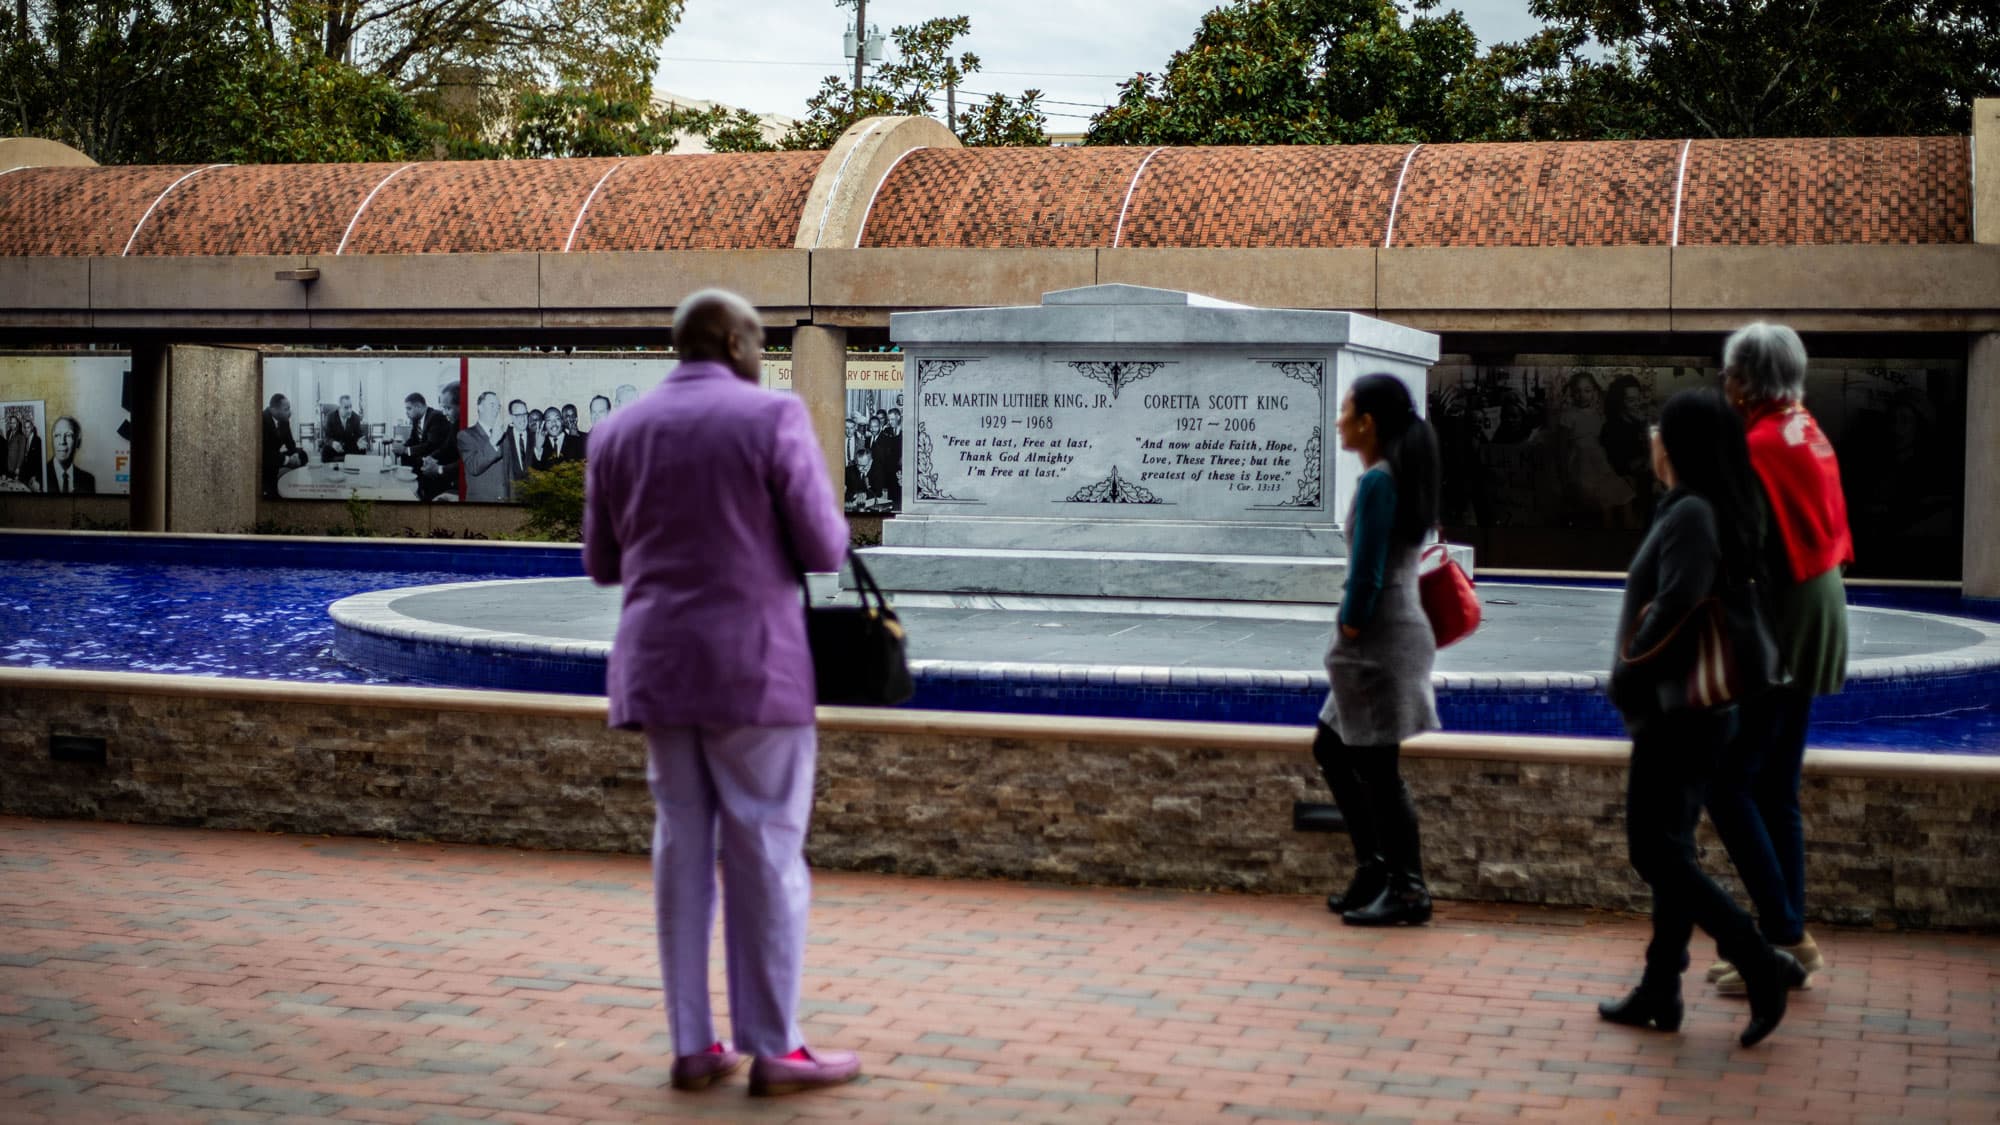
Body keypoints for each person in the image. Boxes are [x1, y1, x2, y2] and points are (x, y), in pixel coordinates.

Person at [584, 289, 857, 1096]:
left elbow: (603, 564)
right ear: (734, 341)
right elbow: (824, 547)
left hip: (658, 665)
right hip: (754, 667)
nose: (763, 353)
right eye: (761, 340)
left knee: (679, 848)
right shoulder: (770, 419)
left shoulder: (617, 432)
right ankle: (776, 1047)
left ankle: (694, 1043)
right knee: (767, 846)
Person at [1600, 387, 1802, 1048]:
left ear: (1679, 444)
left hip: (1678, 712)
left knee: (1651, 849)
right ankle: (1662, 986)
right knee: (1673, 847)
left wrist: (1628, 673)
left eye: (1659, 430)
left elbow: (1676, 604)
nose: (1650, 439)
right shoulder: (1702, 505)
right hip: (1696, 710)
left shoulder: (1691, 512)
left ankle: (1758, 957)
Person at [1704, 324, 1851, 996]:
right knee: (1774, 787)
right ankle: (1782, 942)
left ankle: (1785, 936)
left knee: (1730, 783)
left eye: (1728, 373)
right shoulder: (1802, 425)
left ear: (1745, 381)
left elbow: (1736, 553)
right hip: (1818, 603)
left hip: (1786, 619)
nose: (1723, 383)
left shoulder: (1757, 444)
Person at [1310, 374, 1441, 927]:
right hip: (1390, 633)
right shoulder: (1392, 476)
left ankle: (1407, 888)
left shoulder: (1379, 483)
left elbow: (1366, 573)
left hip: (1378, 639)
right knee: (1334, 749)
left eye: (1345, 410)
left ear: (1368, 423)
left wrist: (1350, 630)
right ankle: (1375, 868)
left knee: (1378, 767)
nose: (1337, 419)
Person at [458, 391, 511, 502]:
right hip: (481, 506)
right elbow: (473, 467)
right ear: (480, 407)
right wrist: (492, 442)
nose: (496, 409)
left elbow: (509, 474)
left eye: (498, 406)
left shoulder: (503, 436)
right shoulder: (466, 435)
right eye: (492, 405)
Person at [261, 395, 306, 499]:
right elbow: (265, 452)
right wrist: (287, 460)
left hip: (276, 455)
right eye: (286, 409)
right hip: (265, 457)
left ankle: (293, 477)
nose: (290, 412)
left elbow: (290, 442)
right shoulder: (262, 420)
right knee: (270, 467)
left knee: (303, 454)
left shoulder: (284, 420)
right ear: (274, 410)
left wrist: (294, 454)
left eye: (289, 408)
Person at [45, 415, 96, 494]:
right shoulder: (39, 475)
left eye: (68, 435)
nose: (62, 442)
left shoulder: (88, 480)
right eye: (57, 435)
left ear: (78, 443)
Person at [322, 395, 367, 462]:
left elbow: (358, 435)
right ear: (339, 408)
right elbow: (326, 437)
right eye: (346, 408)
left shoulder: (356, 417)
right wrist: (333, 443)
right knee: (325, 451)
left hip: (349, 447)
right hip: (336, 448)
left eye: (350, 407)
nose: (349, 410)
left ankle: (344, 460)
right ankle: (348, 460)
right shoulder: (330, 417)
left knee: (362, 449)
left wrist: (360, 441)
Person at [502, 399, 536, 485]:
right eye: (518, 415)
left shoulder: (536, 437)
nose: (523, 418)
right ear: (511, 417)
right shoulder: (503, 439)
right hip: (512, 494)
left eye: (525, 414)